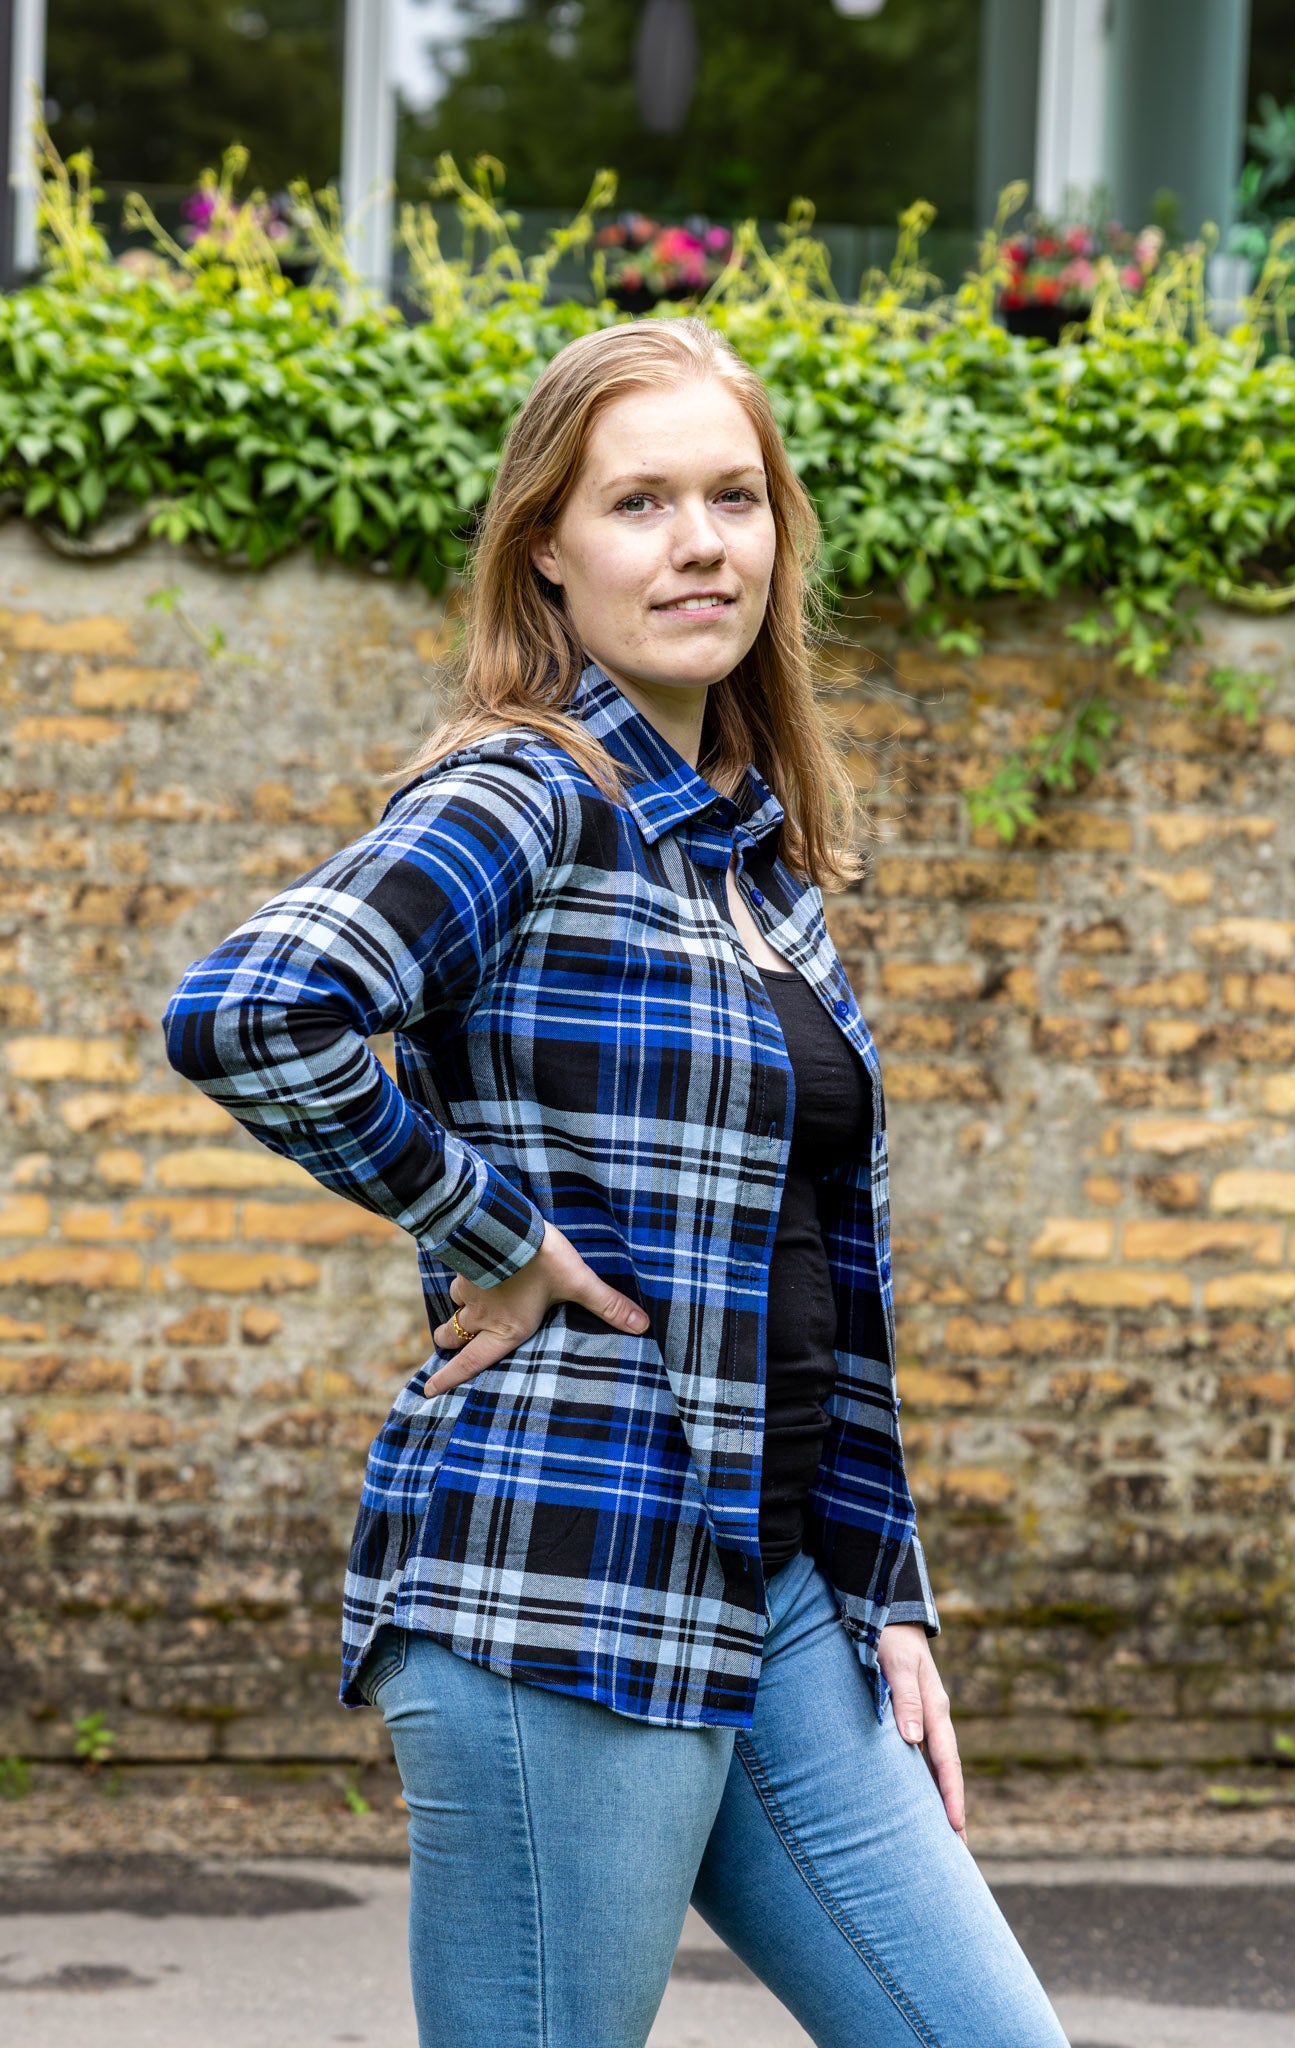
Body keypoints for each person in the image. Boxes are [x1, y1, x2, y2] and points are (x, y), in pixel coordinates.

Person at [164, 317, 1068, 2048]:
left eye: (734, 497)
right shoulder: (529, 792)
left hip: (778, 1588)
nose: (699, 542)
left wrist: (881, 1581)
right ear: (547, 551)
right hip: (567, 1568)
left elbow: (813, 1255)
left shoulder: (749, 856)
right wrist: (488, 1232)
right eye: (639, 502)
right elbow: (252, 1010)